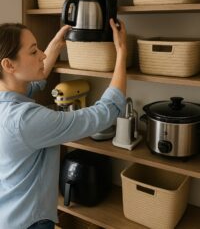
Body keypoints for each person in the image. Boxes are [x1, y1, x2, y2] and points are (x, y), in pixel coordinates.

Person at [0, 18, 127, 229]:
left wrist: (57, 44)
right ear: (8, 64)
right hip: (30, 222)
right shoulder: (26, 120)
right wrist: (121, 51)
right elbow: (106, 112)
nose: (42, 55)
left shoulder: (7, 100)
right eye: (33, 52)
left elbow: (35, 84)